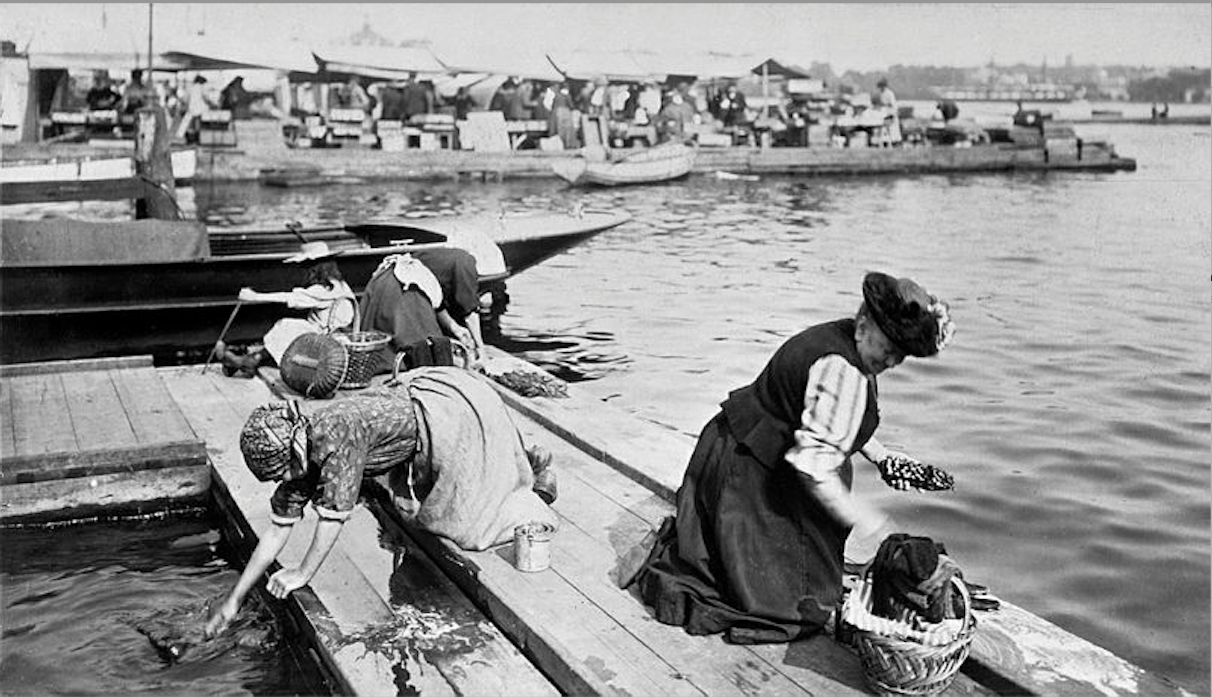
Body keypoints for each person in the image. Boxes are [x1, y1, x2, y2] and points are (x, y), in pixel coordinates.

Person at [628, 271, 956, 644]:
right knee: (794, 606)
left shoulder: (846, 340)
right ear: (865, 323)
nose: (893, 359)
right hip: (746, 472)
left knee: (808, 573)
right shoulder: (842, 370)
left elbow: (831, 419)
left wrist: (883, 459)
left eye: (901, 353)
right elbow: (813, 467)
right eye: (889, 347)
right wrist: (872, 522)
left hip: (740, 449)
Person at [202, 366, 559, 638]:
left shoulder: (335, 437)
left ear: (290, 456)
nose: (283, 483)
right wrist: (234, 600)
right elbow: (277, 530)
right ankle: (520, 461)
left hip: (446, 415)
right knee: (414, 508)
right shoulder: (300, 446)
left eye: (280, 474)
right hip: (405, 425)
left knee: (469, 527)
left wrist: (302, 573)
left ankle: (532, 474)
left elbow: (332, 520)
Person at [216, 241, 357, 376]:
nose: (304, 271)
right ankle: (249, 359)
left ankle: (250, 360)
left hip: (330, 343)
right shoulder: (340, 285)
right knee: (290, 328)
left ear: (315, 268)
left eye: (306, 267)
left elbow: (290, 298)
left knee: (286, 327)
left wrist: (255, 296)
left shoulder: (324, 290)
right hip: (336, 336)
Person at [359, 253, 474, 375]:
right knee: (420, 348)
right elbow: (420, 341)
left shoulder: (426, 279)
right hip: (399, 295)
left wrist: (455, 328)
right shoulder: (412, 292)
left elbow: (437, 304)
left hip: (391, 287)